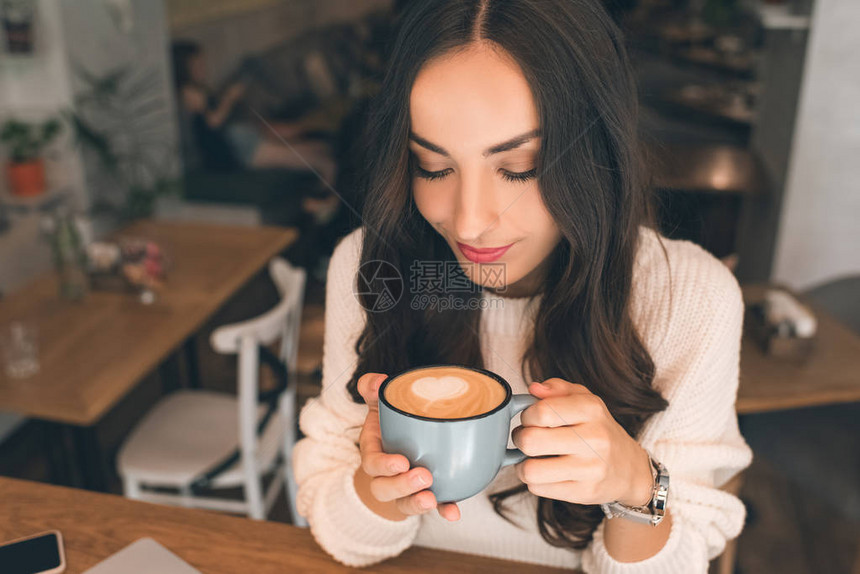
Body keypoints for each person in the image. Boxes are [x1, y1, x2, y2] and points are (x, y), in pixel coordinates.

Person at [292, 0, 752, 572]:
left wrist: (635, 487)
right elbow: (338, 533)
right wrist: (376, 486)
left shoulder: (689, 297)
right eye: (432, 167)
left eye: (519, 167)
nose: (468, 222)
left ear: (595, 152)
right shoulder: (369, 266)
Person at [171, 40, 338, 186]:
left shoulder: (199, 89)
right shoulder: (188, 93)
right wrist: (229, 98)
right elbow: (213, 122)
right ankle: (323, 205)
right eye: (197, 65)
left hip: (241, 136)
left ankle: (326, 200)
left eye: (202, 63)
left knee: (321, 150)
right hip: (234, 147)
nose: (203, 69)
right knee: (320, 161)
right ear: (184, 67)